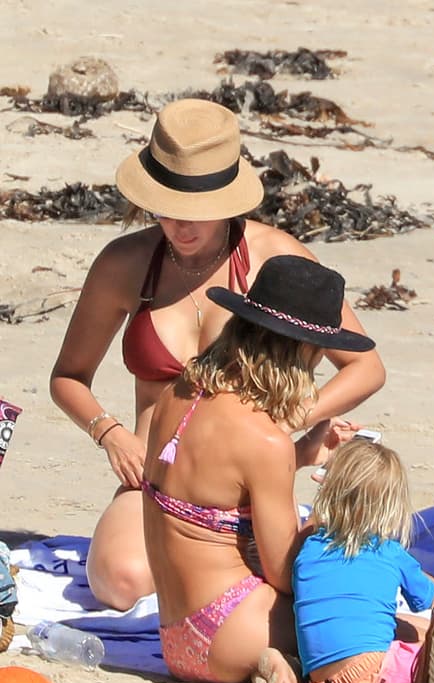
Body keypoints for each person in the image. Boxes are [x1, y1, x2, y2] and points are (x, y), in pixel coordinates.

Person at [50, 98, 385, 612]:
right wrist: (109, 432)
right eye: (166, 209)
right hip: (156, 476)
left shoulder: (276, 259)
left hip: (245, 478)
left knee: (286, 588)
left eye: (198, 213)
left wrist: (292, 420)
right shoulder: (125, 264)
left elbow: (366, 365)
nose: (181, 227)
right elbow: (68, 376)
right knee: (121, 581)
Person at [142, 254, 375, 683]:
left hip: (175, 638)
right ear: (303, 352)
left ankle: (278, 666)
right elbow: (286, 573)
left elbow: (216, 484)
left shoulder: (178, 393)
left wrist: (301, 455)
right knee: (373, 620)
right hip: (236, 628)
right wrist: (331, 514)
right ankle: (276, 661)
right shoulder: (265, 441)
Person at [260, 438, 434, 683]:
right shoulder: (388, 551)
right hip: (371, 679)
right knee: (430, 639)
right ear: (391, 507)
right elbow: (427, 599)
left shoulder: (308, 548)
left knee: (397, 623)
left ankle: (292, 675)